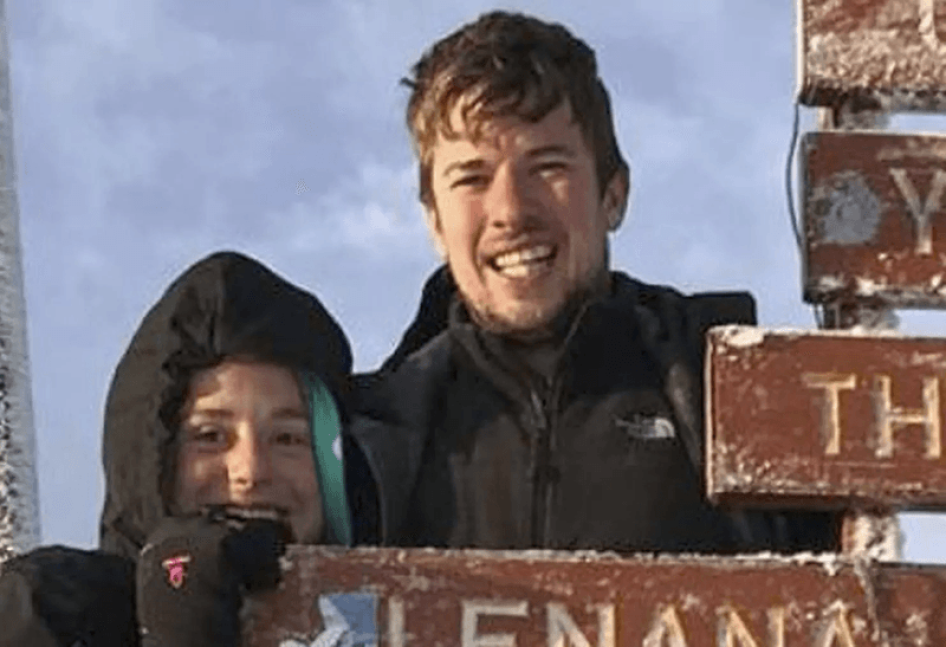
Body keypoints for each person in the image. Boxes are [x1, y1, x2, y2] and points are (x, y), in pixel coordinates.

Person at [350, 10, 839, 553]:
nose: (511, 210)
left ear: (613, 195)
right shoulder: (370, 436)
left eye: (548, 166)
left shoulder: (731, 389)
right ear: (434, 221)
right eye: (472, 177)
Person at [0, 251, 376, 646]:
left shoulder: (411, 606)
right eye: (210, 436)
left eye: (287, 438)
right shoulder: (50, 614)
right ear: (154, 460)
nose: (250, 471)